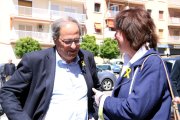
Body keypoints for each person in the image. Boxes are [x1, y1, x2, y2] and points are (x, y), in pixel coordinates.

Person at [0, 16, 101, 120]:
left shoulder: (87, 57)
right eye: (68, 41)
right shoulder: (35, 61)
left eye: (77, 40)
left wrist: (93, 114)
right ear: (55, 40)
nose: (74, 46)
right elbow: (8, 92)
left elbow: (96, 89)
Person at [93, 8, 172, 120]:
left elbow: (134, 110)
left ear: (130, 33)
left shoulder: (152, 63)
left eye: (117, 31)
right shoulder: (131, 61)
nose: (114, 36)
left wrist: (103, 100)